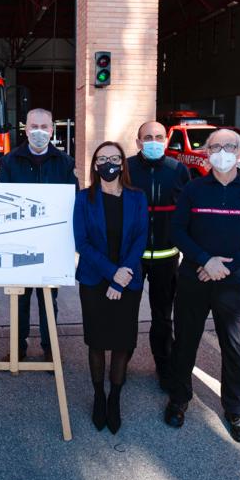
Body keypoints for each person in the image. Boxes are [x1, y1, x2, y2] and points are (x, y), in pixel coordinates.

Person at [165, 128, 240, 442]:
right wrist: (205, 260)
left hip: (234, 285)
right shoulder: (193, 188)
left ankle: (236, 411)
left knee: (236, 350)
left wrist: (226, 266)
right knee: (184, 344)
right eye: (216, 146)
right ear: (206, 152)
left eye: (230, 146)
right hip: (194, 280)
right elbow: (177, 230)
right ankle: (178, 400)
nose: (223, 152)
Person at [74, 142, 148, 434]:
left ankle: (115, 397)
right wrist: (111, 273)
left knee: (121, 342)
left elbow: (140, 237)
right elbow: (81, 242)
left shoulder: (136, 197)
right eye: (102, 158)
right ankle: (98, 396)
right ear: (95, 165)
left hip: (128, 279)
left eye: (114, 158)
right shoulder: (84, 198)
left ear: (122, 163)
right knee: (97, 341)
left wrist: (121, 276)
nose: (109, 163)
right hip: (94, 279)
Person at [0, 107, 78, 362]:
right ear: (25, 129)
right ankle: (18, 347)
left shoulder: (65, 162)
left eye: (44, 127)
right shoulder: (10, 161)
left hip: (52, 243)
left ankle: (49, 346)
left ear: (51, 130)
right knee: (18, 298)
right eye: (34, 127)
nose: (39, 132)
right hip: (19, 241)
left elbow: (72, 201)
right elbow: (1, 200)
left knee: (48, 299)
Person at [127, 121, 190, 389]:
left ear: (165, 141)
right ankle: (121, 362)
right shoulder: (126, 168)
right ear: (138, 142)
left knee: (163, 316)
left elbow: (187, 212)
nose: (154, 141)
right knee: (126, 314)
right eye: (148, 137)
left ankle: (163, 365)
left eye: (159, 137)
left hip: (166, 257)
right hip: (132, 258)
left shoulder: (178, 170)